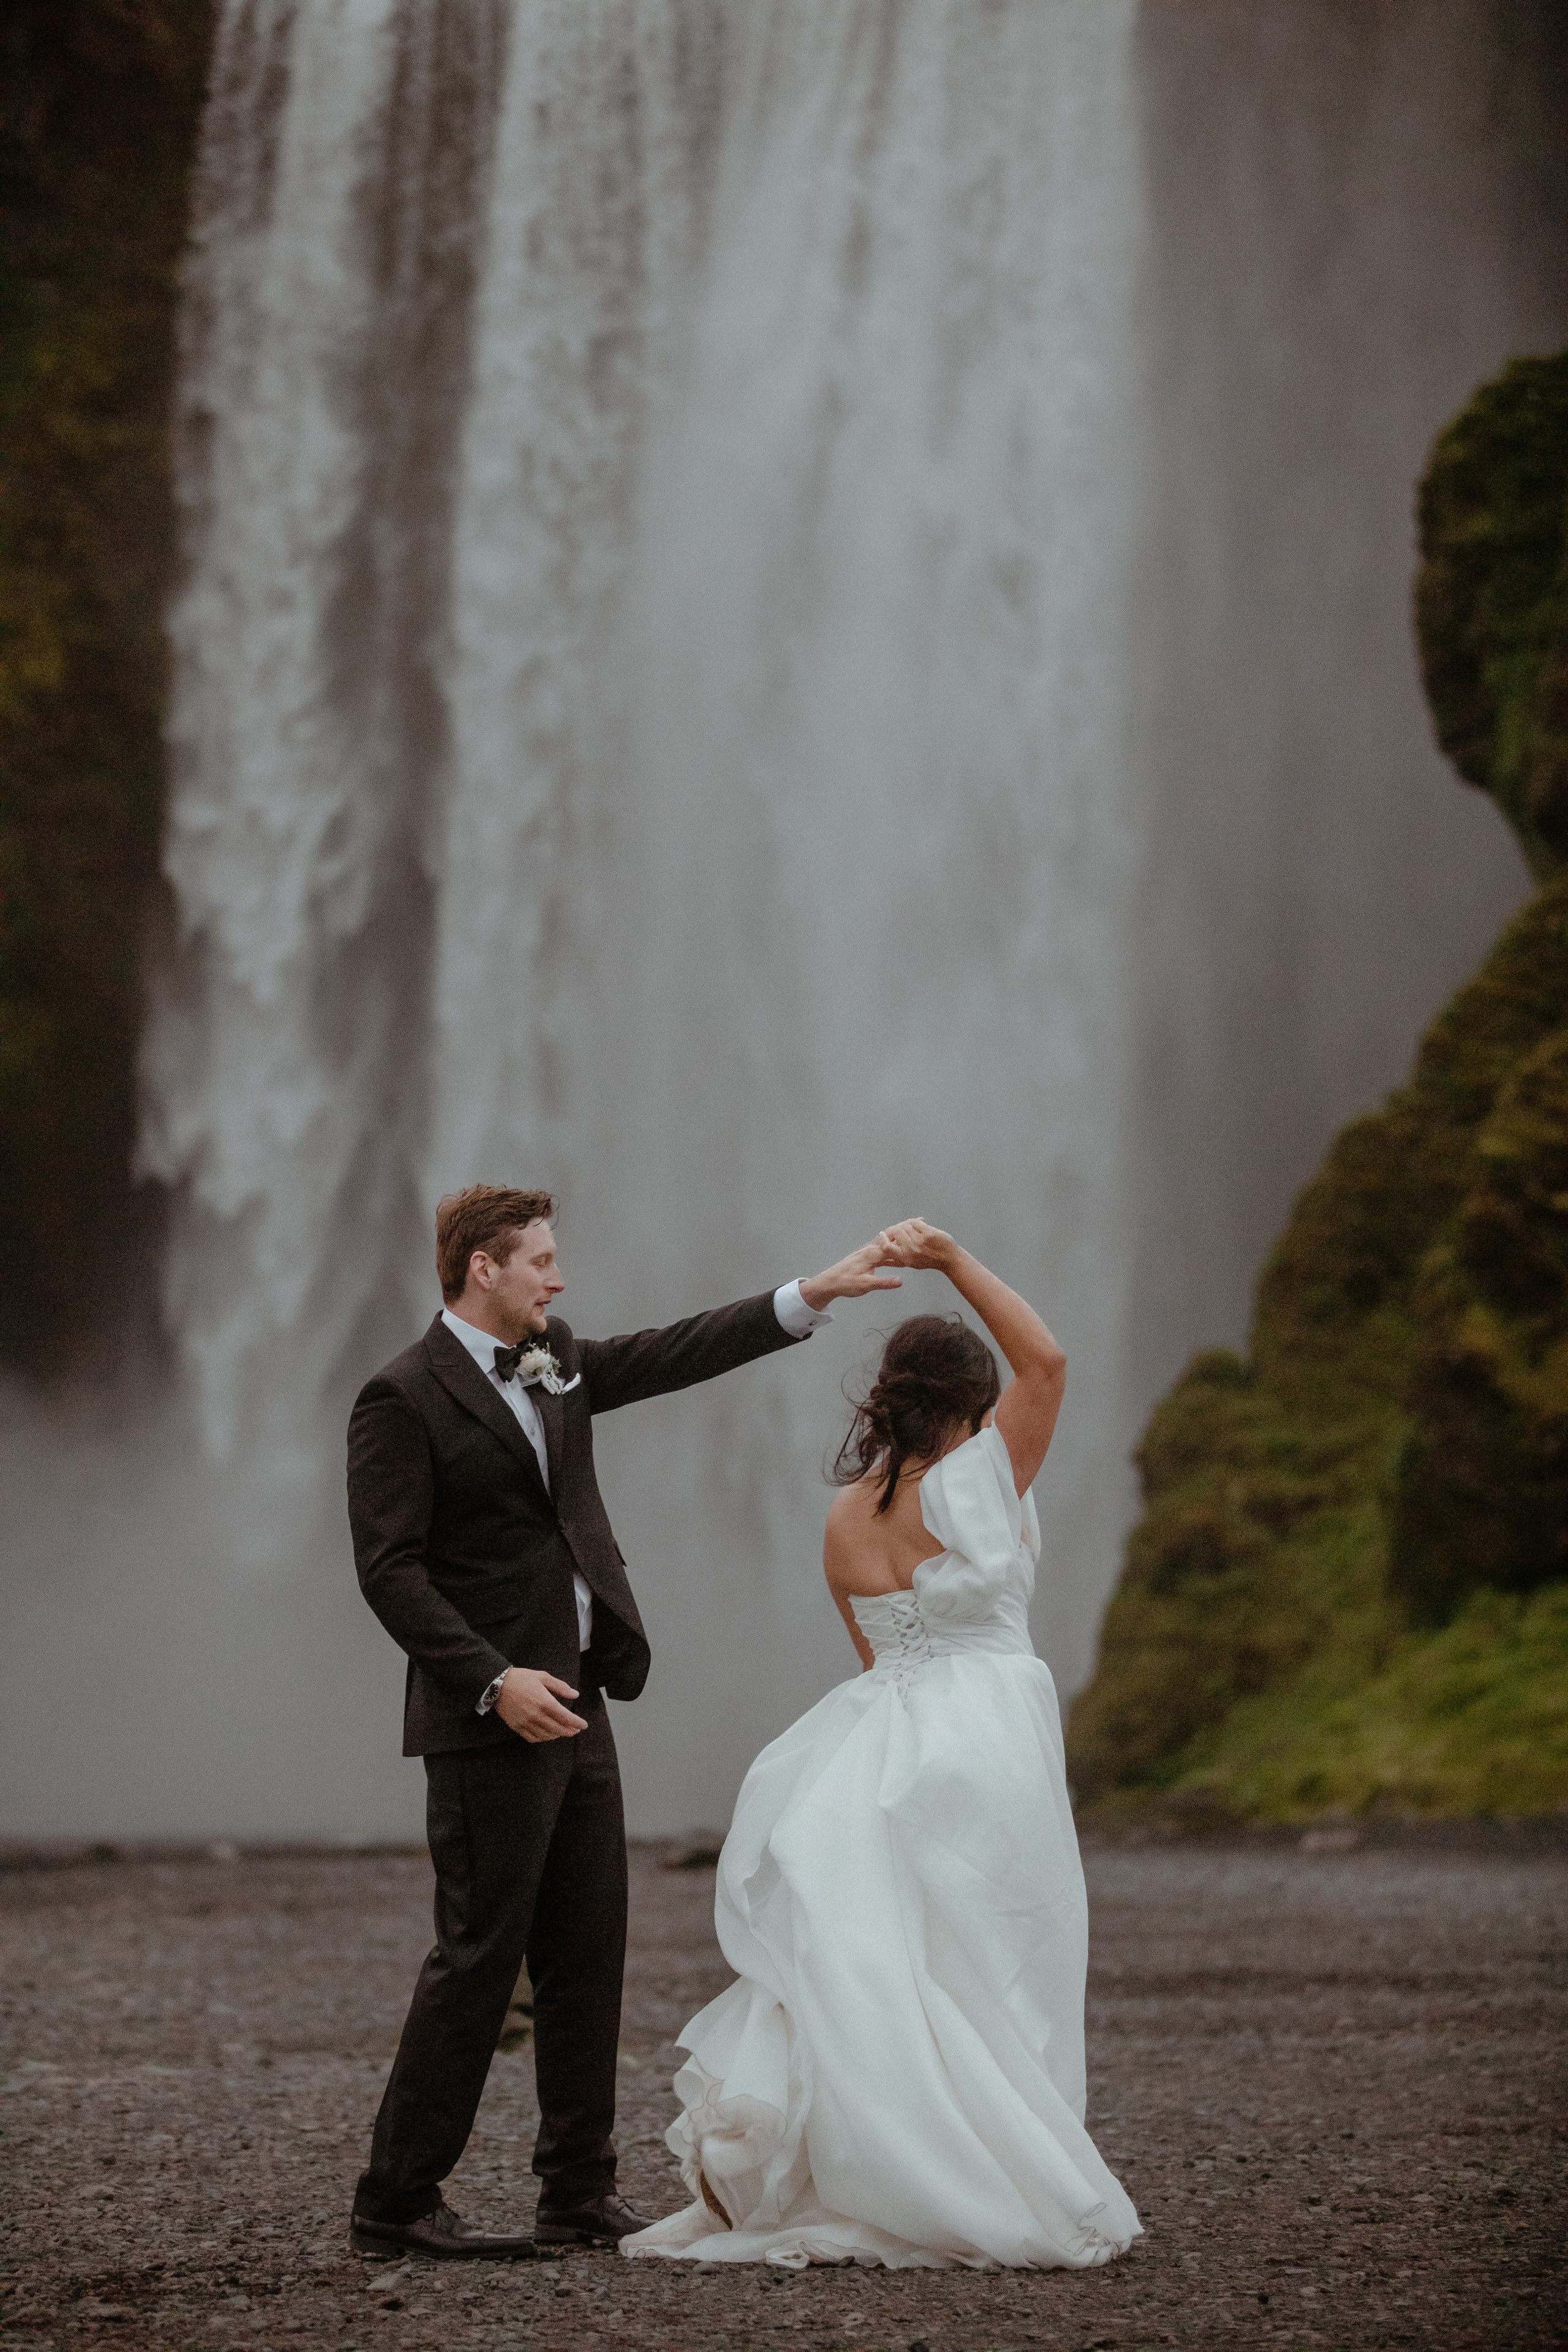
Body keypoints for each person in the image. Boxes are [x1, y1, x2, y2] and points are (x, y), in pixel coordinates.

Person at [345, 1185, 908, 2261]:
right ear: (481, 1269)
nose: (558, 1280)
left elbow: (677, 1351)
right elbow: (389, 1572)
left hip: (580, 1698)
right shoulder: (400, 1398)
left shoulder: (555, 1364)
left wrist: (812, 1294)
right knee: (478, 1957)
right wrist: (490, 1679)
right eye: (541, 1262)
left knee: (588, 1949)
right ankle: (395, 2202)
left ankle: (576, 2192)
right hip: (488, 1719)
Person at [623, 1218, 1142, 2271]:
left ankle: (860, 2164)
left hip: (878, 1736)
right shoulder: (989, 1479)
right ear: (971, 1402)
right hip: (986, 1734)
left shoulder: (845, 1518)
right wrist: (953, 1259)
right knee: (997, 1957)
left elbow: (873, 1650)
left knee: (877, 1963)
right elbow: (1051, 1357)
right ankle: (995, 2167)